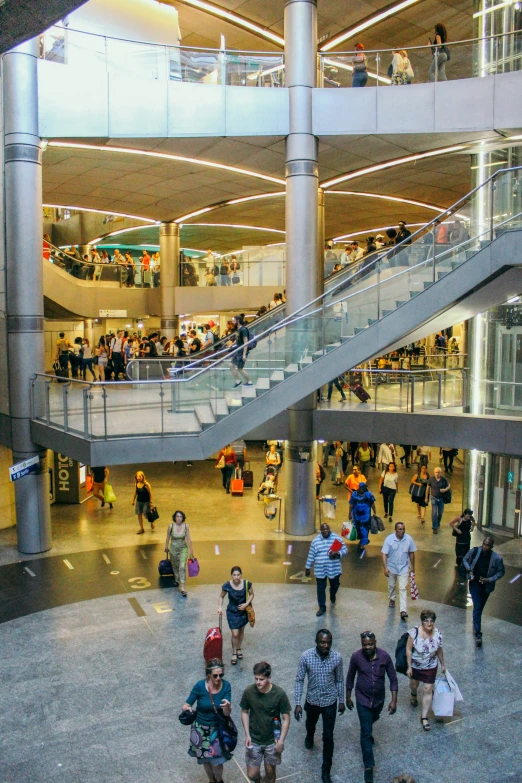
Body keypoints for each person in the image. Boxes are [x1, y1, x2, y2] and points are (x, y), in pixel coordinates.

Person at [346, 631, 398, 783]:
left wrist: (394, 700)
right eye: (364, 645)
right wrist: (348, 696)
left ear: (375, 642)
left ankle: (368, 726)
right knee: (366, 733)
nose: (367, 647)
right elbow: (350, 677)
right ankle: (369, 766)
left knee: (374, 718)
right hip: (362, 699)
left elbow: (393, 678)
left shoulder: (385, 656)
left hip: (378, 700)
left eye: (370, 644)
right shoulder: (356, 657)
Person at [295, 629, 345, 783]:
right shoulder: (306, 656)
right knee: (310, 724)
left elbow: (339, 680)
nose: (326, 645)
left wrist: (341, 700)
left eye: (328, 642)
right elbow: (299, 680)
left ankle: (326, 771)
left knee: (328, 737)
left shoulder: (337, 657)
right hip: (312, 700)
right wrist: (297, 703)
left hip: (330, 702)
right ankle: (309, 736)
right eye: (322, 642)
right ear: (316, 642)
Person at [182, 658, 232, 783]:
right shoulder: (200, 686)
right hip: (200, 727)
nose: (219, 678)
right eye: (215, 675)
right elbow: (186, 704)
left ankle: (219, 780)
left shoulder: (226, 686)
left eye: (221, 675)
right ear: (208, 674)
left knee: (217, 761)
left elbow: (226, 714)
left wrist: (227, 707)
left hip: (217, 728)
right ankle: (211, 780)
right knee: (205, 758)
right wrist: (188, 709)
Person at [240, 661, 291, 783]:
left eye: (261, 679)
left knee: (270, 773)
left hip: (272, 740)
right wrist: (247, 735)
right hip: (254, 739)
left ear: (269, 678)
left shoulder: (279, 694)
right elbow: (244, 712)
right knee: (252, 775)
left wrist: (281, 741)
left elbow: (286, 718)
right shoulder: (249, 692)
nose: (258, 682)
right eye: (256, 679)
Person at [406, 609, 445, 731]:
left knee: (428, 689)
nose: (429, 624)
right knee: (414, 684)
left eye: (431, 621)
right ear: (422, 622)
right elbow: (408, 649)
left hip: (430, 665)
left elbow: (439, 649)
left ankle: (424, 717)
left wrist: (443, 664)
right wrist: (409, 666)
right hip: (416, 665)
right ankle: (413, 693)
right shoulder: (414, 633)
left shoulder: (437, 633)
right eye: (426, 621)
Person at [462, 537, 505, 647]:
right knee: (477, 605)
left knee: (480, 607)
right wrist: (469, 570)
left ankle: (476, 620)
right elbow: (465, 560)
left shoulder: (496, 558)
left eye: (487, 545)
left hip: (486, 587)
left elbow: (501, 572)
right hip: (474, 584)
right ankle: (478, 634)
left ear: (491, 547)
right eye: (484, 544)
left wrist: (489, 579)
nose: (485, 547)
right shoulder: (475, 551)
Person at [305, 522, 347, 617]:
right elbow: (311, 555)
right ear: (320, 531)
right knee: (320, 588)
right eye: (323, 530)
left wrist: (338, 553)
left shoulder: (337, 539)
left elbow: (344, 549)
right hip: (320, 569)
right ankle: (322, 607)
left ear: (329, 529)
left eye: (326, 529)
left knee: (335, 585)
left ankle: (332, 594)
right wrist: (307, 567)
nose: (325, 531)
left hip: (334, 568)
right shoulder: (315, 541)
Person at [219, 566, 254, 665]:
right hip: (232, 611)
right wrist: (219, 607)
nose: (236, 577)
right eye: (234, 575)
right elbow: (221, 596)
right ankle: (234, 652)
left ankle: (239, 648)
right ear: (231, 575)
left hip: (243, 611)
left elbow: (252, 594)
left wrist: (246, 604)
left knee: (241, 631)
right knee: (235, 633)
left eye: (238, 575)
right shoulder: (227, 585)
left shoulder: (247, 584)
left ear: (241, 575)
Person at [382, 523, 417, 620]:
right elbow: (384, 554)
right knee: (392, 585)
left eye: (403, 529)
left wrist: (412, 567)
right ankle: (392, 598)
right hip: (391, 567)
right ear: (395, 530)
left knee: (402, 588)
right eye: (400, 529)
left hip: (403, 568)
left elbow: (411, 553)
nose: (402, 531)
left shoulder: (408, 539)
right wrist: (385, 567)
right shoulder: (389, 540)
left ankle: (403, 610)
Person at [165, 510, 194, 597]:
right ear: (174, 517)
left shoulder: (186, 526)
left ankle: (182, 587)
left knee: (182, 567)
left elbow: (188, 538)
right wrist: (166, 547)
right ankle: (177, 579)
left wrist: (191, 550)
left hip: (183, 549)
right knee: (175, 566)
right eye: (177, 516)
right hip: (173, 549)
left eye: (180, 517)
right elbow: (167, 538)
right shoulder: (171, 526)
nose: (179, 518)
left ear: (183, 518)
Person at [349, 483, 376, 550]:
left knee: (364, 529)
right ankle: (361, 540)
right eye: (360, 488)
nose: (361, 490)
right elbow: (351, 505)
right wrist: (349, 514)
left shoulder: (369, 494)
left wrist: (375, 512)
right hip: (356, 516)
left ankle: (363, 543)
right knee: (358, 528)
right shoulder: (354, 494)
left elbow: (372, 504)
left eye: (363, 488)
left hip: (365, 517)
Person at [229, 315, 253, 388]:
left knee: (240, 368)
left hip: (242, 351)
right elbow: (238, 339)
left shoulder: (243, 329)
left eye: (234, 321)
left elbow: (246, 342)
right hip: (238, 350)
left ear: (238, 321)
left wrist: (244, 354)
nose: (233, 322)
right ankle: (238, 380)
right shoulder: (238, 330)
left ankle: (249, 381)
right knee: (231, 365)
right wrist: (231, 345)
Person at [426, 466, 450, 533]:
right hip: (434, 498)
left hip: (441, 498)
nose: (437, 474)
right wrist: (426, 497)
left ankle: (438, 522)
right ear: (434, 473)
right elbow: (427, 488)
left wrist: (445, 489)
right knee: (434, 513)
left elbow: (449, 485)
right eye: (436, 472)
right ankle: (435, 527)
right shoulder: (431, 479)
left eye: (438, 472)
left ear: (440, 473)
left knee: (440, 513)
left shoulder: (443, 479)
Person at [132, 470, 152, 534]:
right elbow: (135, 492)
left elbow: (150, 493)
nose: (138, 477)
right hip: (139, 502)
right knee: (139, 514)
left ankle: (151, 520)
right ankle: (141, 528)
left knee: (145, 515)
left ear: (143, 477)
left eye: (140, 476)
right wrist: (133, 500)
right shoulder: (136, 484)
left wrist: (151, 502)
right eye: (137, 476)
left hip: (146, 502)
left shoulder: (146, 484)